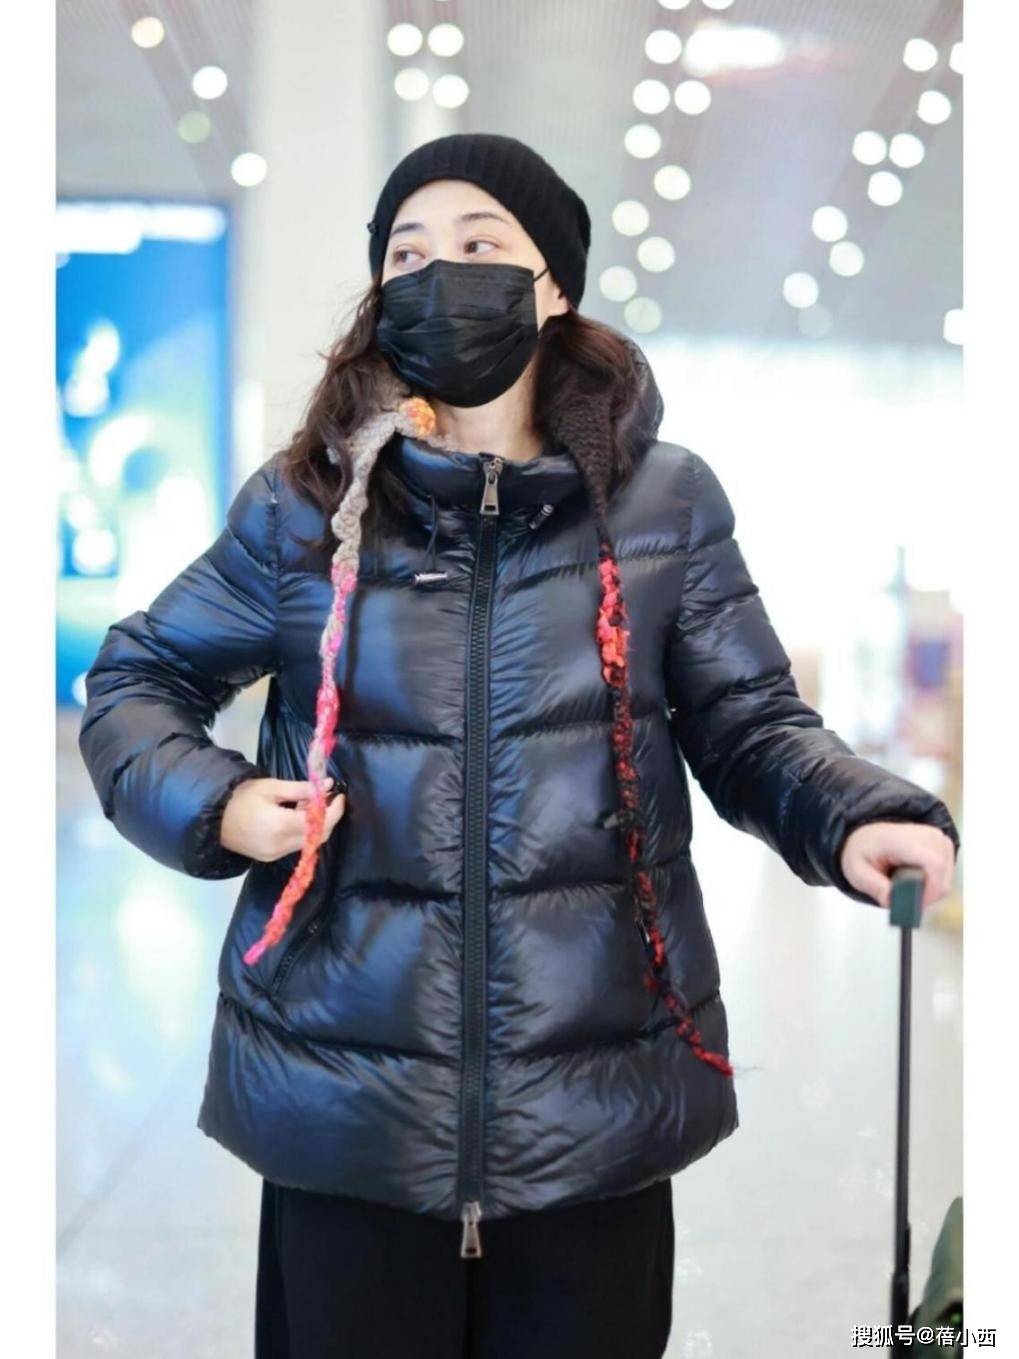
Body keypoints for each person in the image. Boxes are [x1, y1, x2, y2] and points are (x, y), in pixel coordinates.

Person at [78, 133, 960, 1358]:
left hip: (591, 1102)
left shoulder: (661, 504)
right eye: (406, 253)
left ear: (553, 288)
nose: (438, 272)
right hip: (347, 1100)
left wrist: (855, 811)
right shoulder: (307, 503)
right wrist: (217, 803)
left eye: (479, 242)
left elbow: (749, 723)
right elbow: (136, 680)